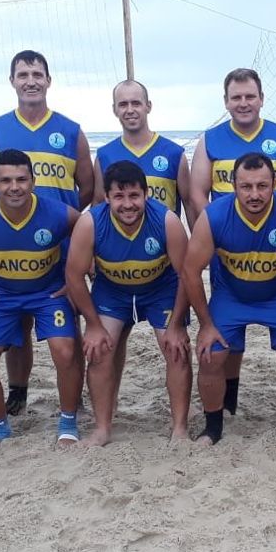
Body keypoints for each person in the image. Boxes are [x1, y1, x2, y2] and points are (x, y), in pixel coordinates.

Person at [181, 153, 276, 450]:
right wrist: (206, 324)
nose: (255, 194)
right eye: (246, 187)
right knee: (211, 353)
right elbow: (190, 271)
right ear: (232, 184)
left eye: (262, 186)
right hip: (232, 295)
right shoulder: (214, 216)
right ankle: (213, 427)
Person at [0, 50, 94, 417]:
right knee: (17, 328)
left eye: (37, 74)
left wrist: (61, 220)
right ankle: (19, 389)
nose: (31, 80)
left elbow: (87, 188)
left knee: (64, 330)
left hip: (58, 246)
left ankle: (74, 399)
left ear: (48, 80)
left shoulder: (70, 130)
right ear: (12, 80)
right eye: (23, 74)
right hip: (14, 242)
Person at [188, 68, 276, 418]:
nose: (243, 103)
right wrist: (221, 234)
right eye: (236, 97)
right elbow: (197, 194)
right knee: (229, 334)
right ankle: (228, 403)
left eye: (249, 96)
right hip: (229, 248)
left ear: (261, 98)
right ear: (226, 102)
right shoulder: (210, 140)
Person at [0, 149, 82, 448]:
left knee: (65, 351)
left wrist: (73, 278)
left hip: (48, 293)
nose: (14, 187)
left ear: (33, 181)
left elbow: (86, 230)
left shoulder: (58, 213)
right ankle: (0, 426)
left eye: (21, 179)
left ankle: (68, 421)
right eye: (5, 180)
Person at [66, 161, 192, 446]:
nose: (127, 204)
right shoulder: (90, 222)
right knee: (98, 350)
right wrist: (93, 326)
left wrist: (176, 326)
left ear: (147, 194)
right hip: (113, 292)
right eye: (119, 197)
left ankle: (180, 428)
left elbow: (187, 275)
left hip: (160, 289)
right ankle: (102, 428)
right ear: (107, 197)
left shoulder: (167, 220)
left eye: (134, 196)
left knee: (177, 349)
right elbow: (74, 276)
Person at [93, 79, 195, 226]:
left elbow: (189, 204)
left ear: (148, 106)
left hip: (165, 245)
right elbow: (98, 205)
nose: (129, 110)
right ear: (114, 109)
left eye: (136, 103)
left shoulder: (174, 154)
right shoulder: (104, 156)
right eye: (123, 104)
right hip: (120, 245)